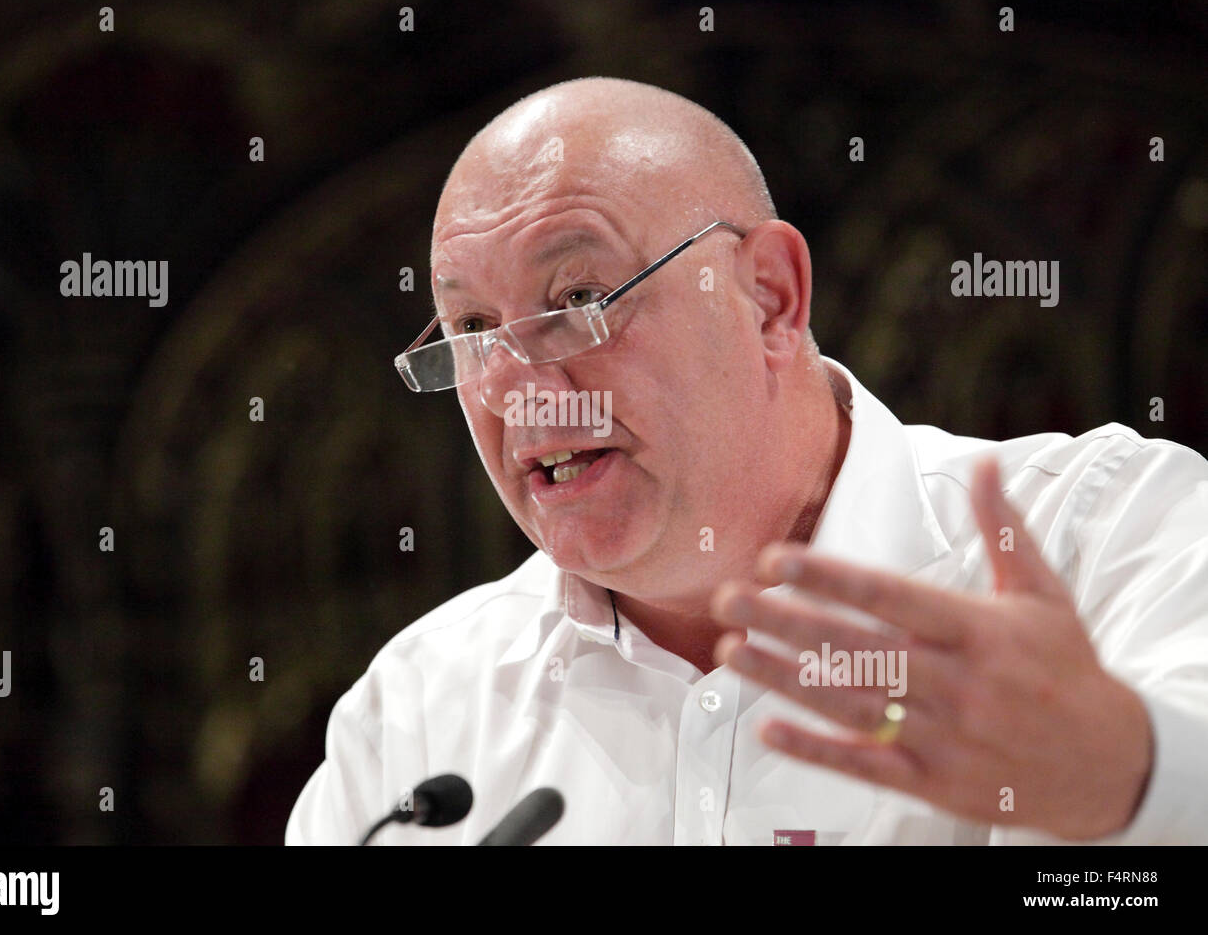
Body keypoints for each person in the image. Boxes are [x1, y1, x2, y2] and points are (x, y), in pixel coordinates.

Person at [287, 77, 1208, 845]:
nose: (516, 387)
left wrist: (1123, 775)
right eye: (474, 330)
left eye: (578, 295)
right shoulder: (421, 709)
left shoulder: (1111, 534)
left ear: (769, 297)